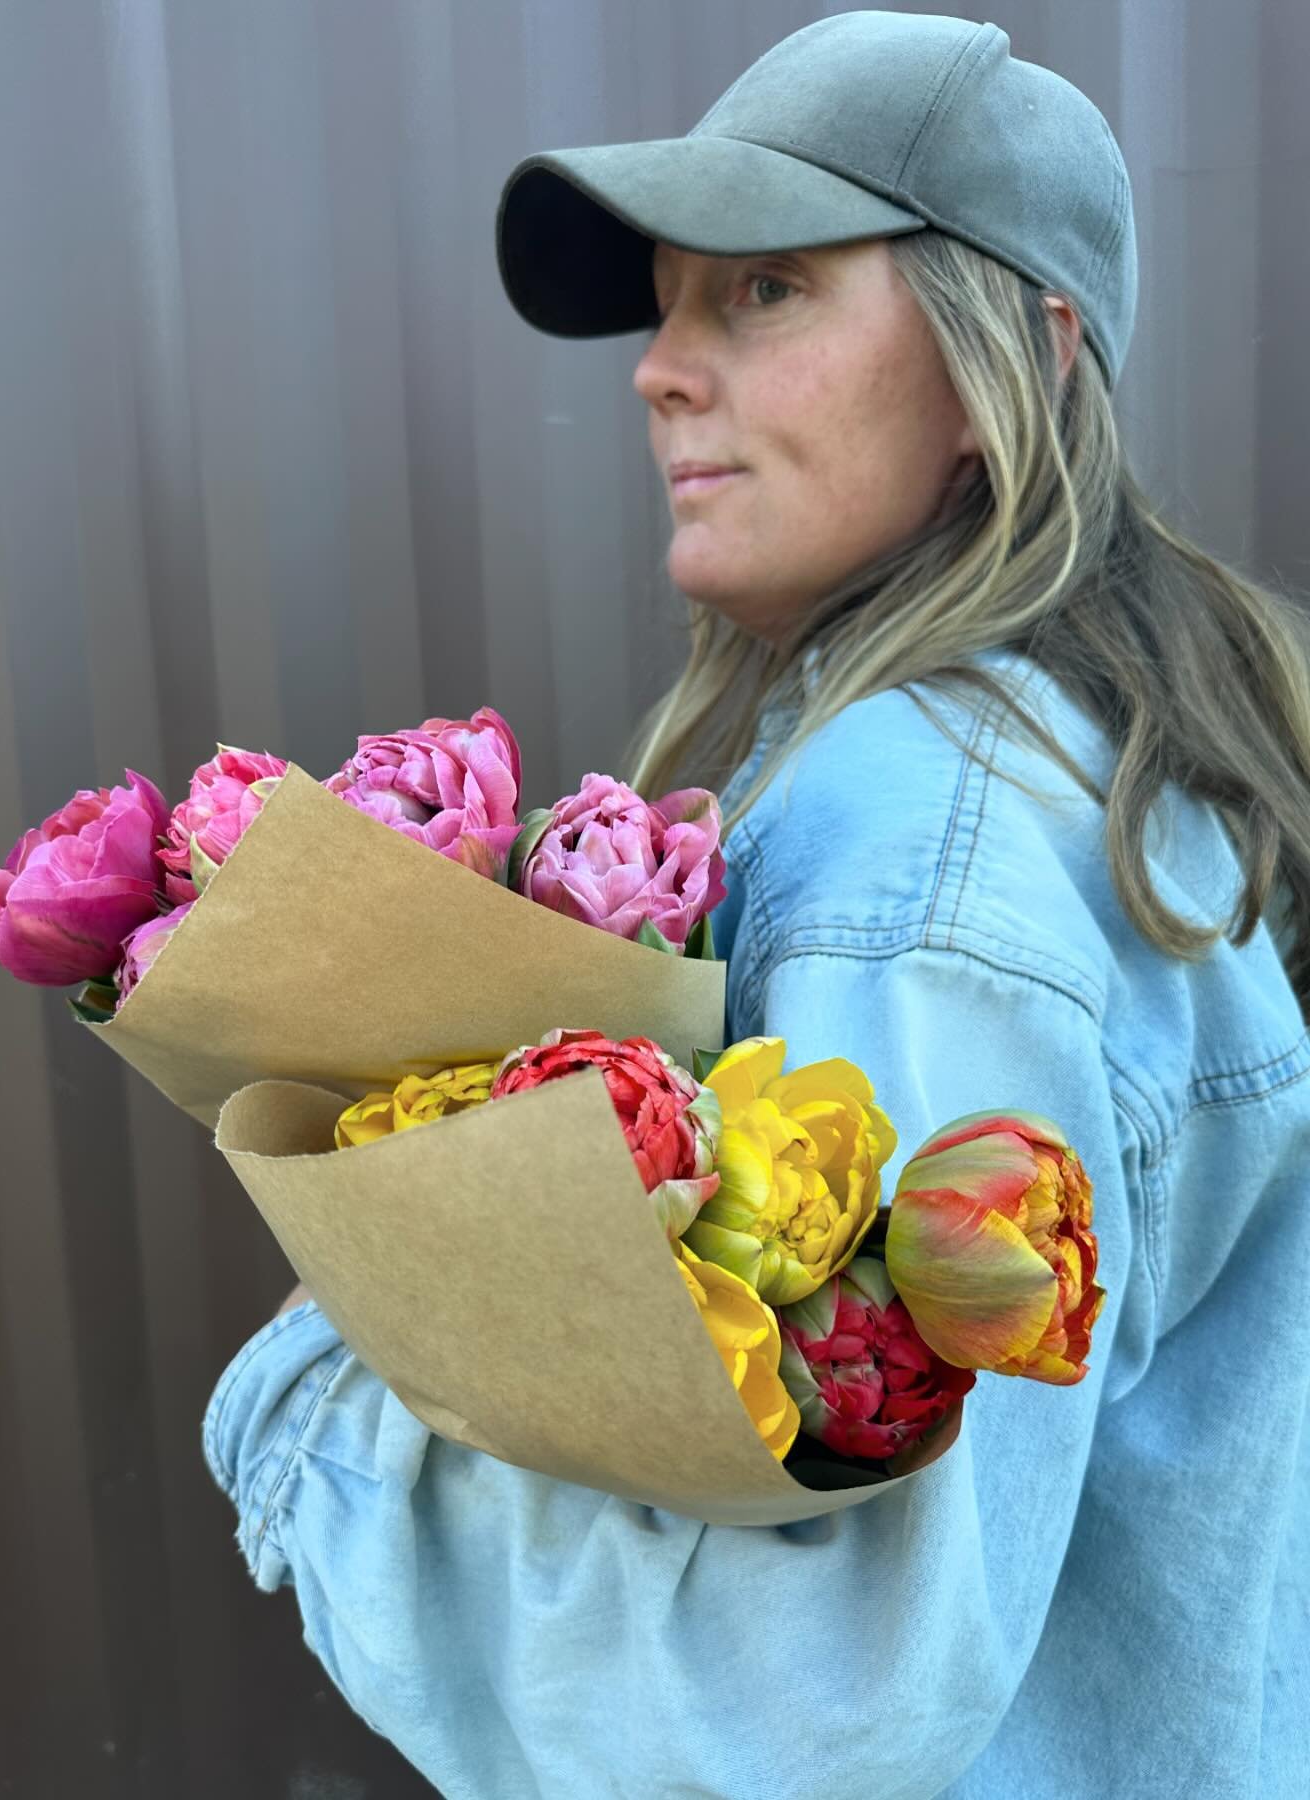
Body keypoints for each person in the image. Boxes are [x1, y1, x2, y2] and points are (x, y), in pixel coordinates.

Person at [203, 14, 1310, 1796]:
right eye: (670, 300)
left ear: (1002, 362)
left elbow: (796, 1695)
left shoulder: (917, 858)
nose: (658, 368)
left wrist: (314, 1392)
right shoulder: (1114, 767)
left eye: (766, 291)